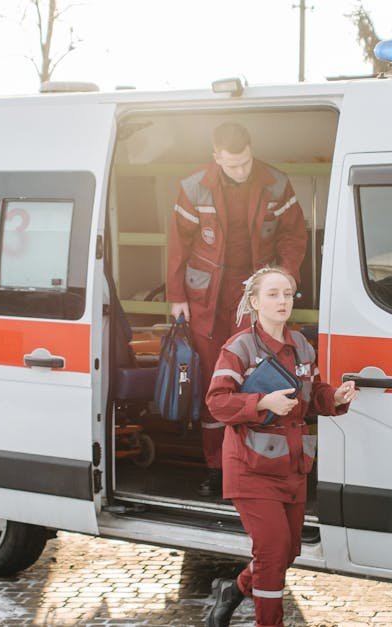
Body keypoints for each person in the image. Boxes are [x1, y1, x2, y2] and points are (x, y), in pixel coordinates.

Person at [204, 266, 357, 627]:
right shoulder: (238, 347)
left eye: (287, 294)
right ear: (254, 302)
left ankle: (236, 589)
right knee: (272, 550)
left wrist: (333, 396)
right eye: (273, 294)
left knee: (288, 551)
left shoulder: (302, 345)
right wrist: (261, 402)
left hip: (292, 466)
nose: (282, 301)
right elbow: (217, 402)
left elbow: (311, 395)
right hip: (250, 465)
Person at [166, 122, 308, 496]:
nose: (241, 170)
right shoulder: (192, 186)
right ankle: (217, 466)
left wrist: (286, 279)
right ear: (217, 157)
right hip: (206, 300)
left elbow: (294, 234)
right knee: (217, 382)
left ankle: (258, 465)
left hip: (257, 293)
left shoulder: (275, 183)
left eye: (245, 162)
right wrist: (176, 296)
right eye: (233, 165)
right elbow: (178, 244)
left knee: (258, 377)